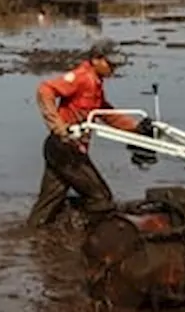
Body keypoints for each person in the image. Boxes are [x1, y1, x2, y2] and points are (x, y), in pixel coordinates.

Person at [27, 40, 155, 228]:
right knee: (100, 197)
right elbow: (45, 90)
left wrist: (134, 129)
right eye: (110, 63)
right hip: (65, 148)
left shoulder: (95, 84)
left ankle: (33, 237)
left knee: (47, 204)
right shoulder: (81, 77)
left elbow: (105, 113)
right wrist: (58, 127)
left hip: (64, 150)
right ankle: (83, 230)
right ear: (96, 59)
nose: (114, 68)